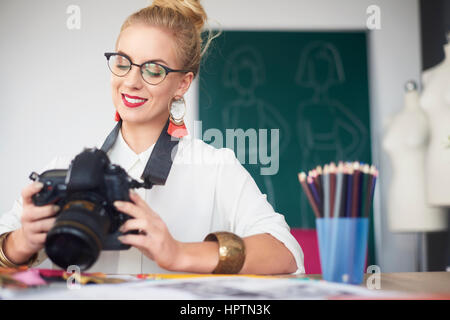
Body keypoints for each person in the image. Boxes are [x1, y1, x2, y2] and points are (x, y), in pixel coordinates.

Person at [0, 0, 304, 275]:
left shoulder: (215, 167)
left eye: (154, 70)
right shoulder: (66, 169)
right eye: (122, 62)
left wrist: (179, 253)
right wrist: (22, 242)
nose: (131, 82)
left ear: (183, 83)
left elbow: (286, 253)